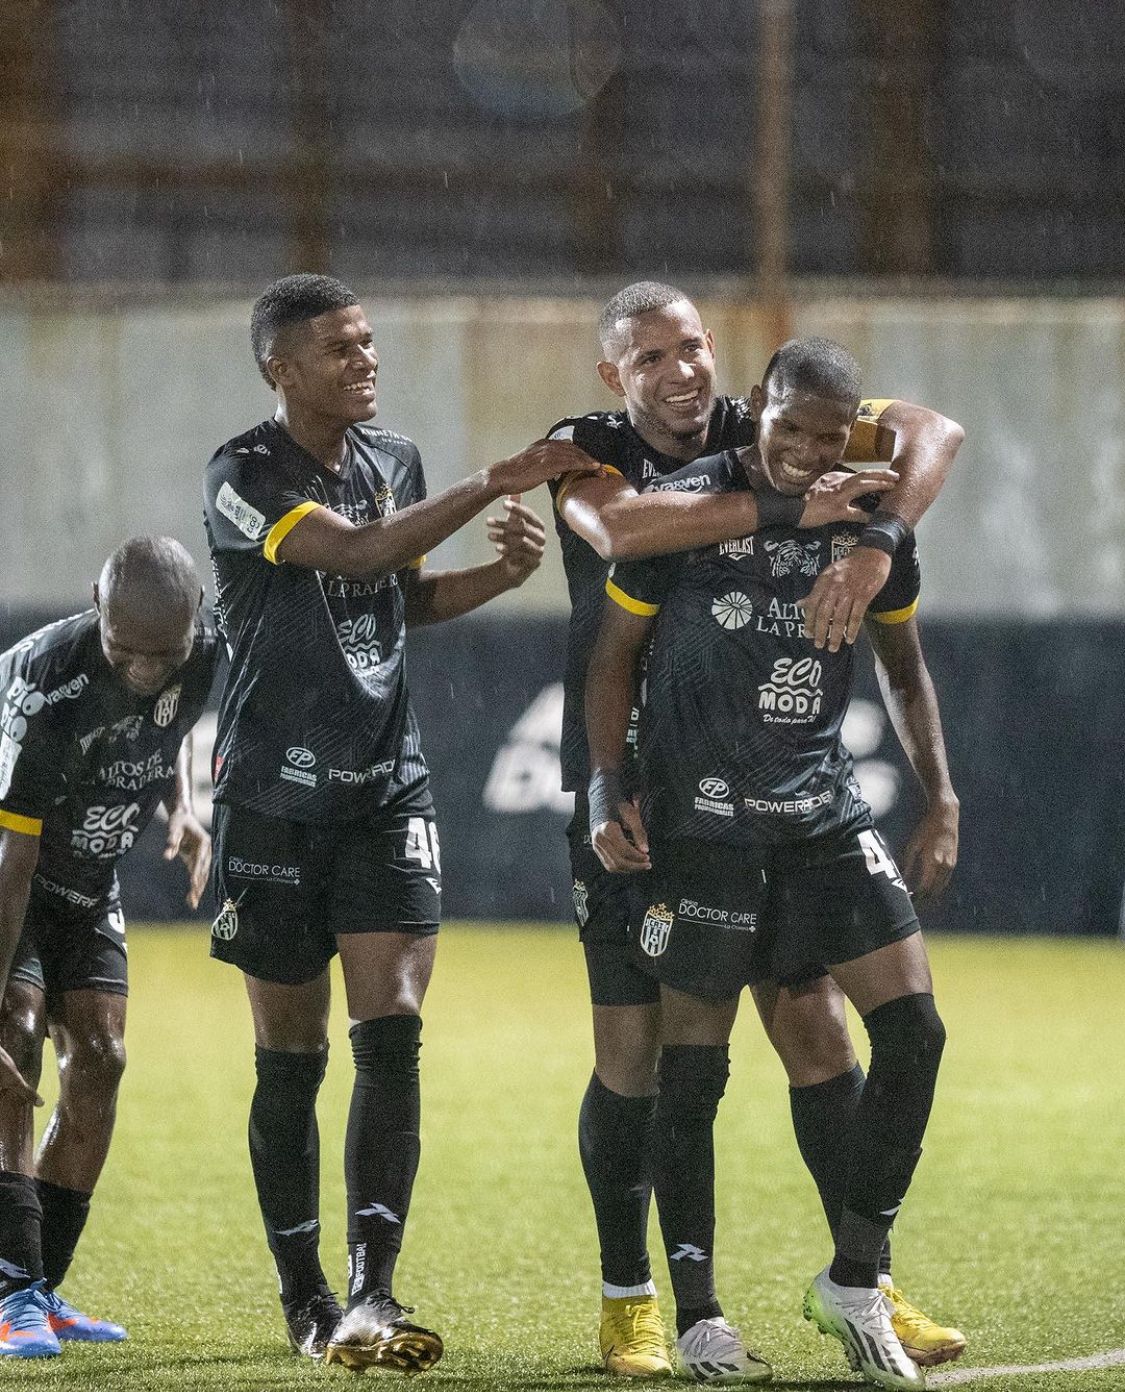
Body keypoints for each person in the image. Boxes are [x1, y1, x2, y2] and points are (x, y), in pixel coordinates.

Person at [547, 282, 965, 1380]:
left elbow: (934, 430)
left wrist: (874, 538)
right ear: (613, 376)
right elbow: (622, 538)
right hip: (648, 801)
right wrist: (605, 779)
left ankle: (861, 1278)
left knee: (829, 1030)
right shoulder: (591, 453)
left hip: (801, 812)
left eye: (691, 347)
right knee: (640, 1058)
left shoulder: (802, 443)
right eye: (649, 357)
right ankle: (641, 1299)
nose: (678, 370)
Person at [202, 272, 597, 1373]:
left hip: (384, 790)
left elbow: (400, 595)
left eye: (369, 342)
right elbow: (355, 553)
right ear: (281, 367)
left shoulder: (394, 461)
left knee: (393, 1030)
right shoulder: (242, 474)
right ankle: (305, 1294)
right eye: (341, 348)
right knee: (291, 1056)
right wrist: (495, 482)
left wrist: (496, 576)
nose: (366, 360)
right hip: (272, 799)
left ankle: (373, 1292)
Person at [0, 536, 217, 1359]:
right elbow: (14, 857)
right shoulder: (48, 684)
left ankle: (39, 1287)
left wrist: (181, 809)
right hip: (10, 868)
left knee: (102, 1055)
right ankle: (9, 1293)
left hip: (87, 877)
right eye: (127, 654)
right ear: (96, 607)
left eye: (165, 657)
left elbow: (167, 728)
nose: (146, 672)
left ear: (195, 624)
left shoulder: (203, 655)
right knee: (16, 1036)